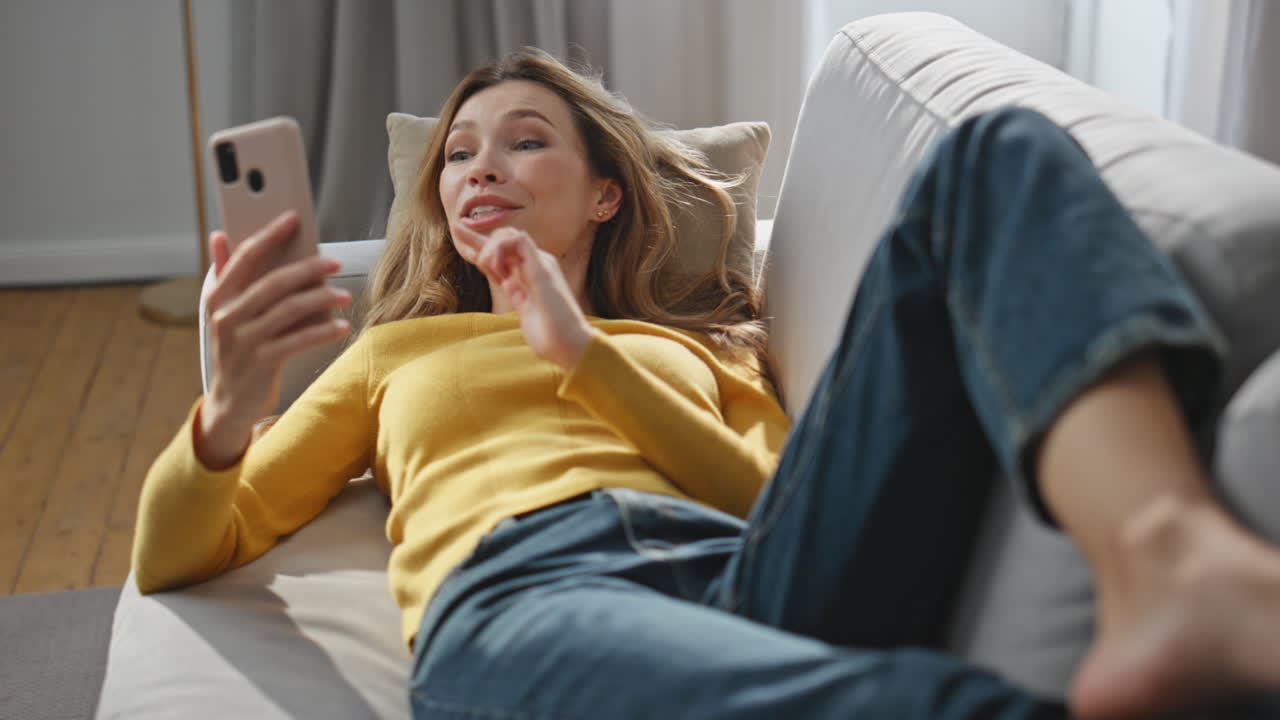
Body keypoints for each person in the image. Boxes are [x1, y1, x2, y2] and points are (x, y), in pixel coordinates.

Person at [134, 47, 1280, 719]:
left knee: (997, 151)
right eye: (458, 153)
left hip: (752, 570)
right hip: (529, 596)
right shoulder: (396, 353)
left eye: (523, 140)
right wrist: (230, 411)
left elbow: (766, 499)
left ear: (603, 195)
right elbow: (180, 553)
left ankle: (1166, 554)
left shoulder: (701, 345)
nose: (479, 166)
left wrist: (587, 357)